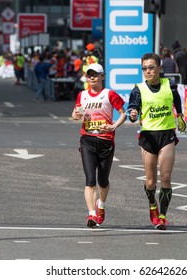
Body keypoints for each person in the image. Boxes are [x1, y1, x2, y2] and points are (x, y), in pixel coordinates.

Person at [128, 53, 186, 230]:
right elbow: (132, 107)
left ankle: (162, 216)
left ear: (160, 68)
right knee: (151, 181)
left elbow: (176, 99)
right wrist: (133, 114)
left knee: (166, 178)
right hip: (148, 137)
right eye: (144, 68)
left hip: (166, 135)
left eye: (151, 67)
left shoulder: (170, 85)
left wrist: (180, 115)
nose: (147, 71)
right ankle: (152, 205)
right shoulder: (138, 89)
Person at [71, 63, 126, 228]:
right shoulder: (82, 95)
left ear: (103, 76)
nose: (92, 78)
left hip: (106, 141)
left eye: (95, 74)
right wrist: (76, 114)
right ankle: (92, 214)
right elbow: (74, 114)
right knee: (90, 180)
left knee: (103, 181)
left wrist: (114, 126)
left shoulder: (109, 94)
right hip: (87, 139)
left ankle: (101, 206)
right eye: (89, 75)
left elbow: (123, 114)